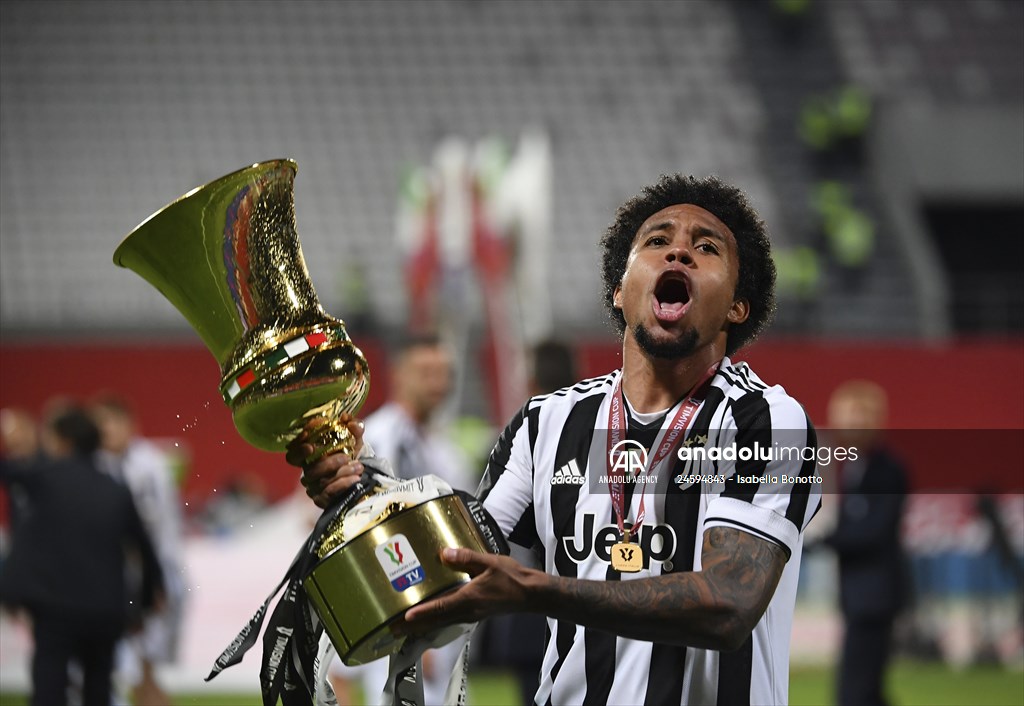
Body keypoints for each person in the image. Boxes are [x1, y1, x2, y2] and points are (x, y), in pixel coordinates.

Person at [295, 175, 820, 705]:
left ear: (738, 306)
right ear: (619, 289)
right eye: (657, 241)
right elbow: (452, 565)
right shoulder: (546, 422)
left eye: (706, 247)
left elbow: (728, 604)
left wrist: (535, 590)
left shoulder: (768, 422)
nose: (679, 251)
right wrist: (356, 494)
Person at [327, 333, 475, 705]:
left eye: (444, 374)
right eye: (426, 372)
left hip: (442, 616)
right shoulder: (377, 441)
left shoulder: (445, 452)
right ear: (399, 375)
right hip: (403, 616)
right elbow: (378, 537)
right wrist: (414, 624)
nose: (438, 384)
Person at [0, 404, 164, 706]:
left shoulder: (44, 478)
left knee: (49, 686)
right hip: (105, 609)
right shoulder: (115, 488)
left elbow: (8, 473)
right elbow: (143, 548)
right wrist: (144, 603)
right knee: (99, 689)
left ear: (62, 440)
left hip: (54, 606)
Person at [90, 394, 186, 706]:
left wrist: (157, 582)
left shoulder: (148, 465)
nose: (104, 434)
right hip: (119, 579)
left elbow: (156, 528)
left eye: (109, 425)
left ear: (128, 425)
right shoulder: (98, 464)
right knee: (137, 676)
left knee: (140, 672)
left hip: (148, 578)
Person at [823, 380, 909, 706]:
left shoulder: (887, 470)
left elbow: (875, 531)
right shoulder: (853, 468)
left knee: (855, 693)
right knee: (867, 692)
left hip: (875, 596)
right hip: (858, 595)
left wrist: (824, 540)